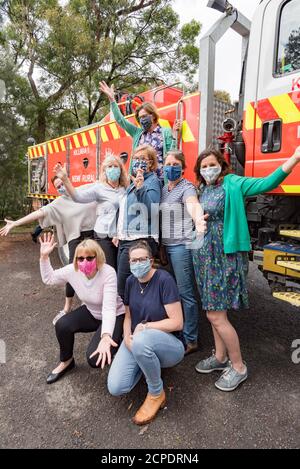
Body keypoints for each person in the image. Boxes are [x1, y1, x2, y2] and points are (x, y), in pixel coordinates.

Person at [192, 146, 300, 392]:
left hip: (224, 257)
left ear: (221, 165)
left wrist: (294, 158)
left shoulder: (233, 183)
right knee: (211, 308)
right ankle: (219, 358)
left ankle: (239, 367)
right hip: (205, 257)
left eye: (212, 164)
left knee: (215, 315)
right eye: (204, 166)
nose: (208, 169)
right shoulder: (202, 189)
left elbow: (267, 182)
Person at [0, 175, 97, 324]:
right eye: (58, 186)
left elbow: (106, 187)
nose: (61, 187)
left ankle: (90, 303)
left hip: (95, 236)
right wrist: (15, 223)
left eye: (62, 183)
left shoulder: (85, 190)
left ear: (68, 180)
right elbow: (39, 213)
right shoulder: (59, 203)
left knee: (98, 271)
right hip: (76, 239)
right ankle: (67, 307)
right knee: (73, 272)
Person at [107, 240, 185, 425]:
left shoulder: (164, 280)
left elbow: (178, 322)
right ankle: (148, 365)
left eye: (142, 259)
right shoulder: (130, 282)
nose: (137, 264)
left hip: (168, 346)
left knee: (141, 339)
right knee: (116, 387)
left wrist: (147, 327)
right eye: (133, 261)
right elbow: (127, 317)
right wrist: (127, 337)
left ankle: (156, 393)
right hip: (137, 340)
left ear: (151, 261)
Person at [39, 235, 125, 384]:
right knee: (62, 324)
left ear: (98, 257)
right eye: (80, 258)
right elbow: (49, 278)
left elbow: (109, 308)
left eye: (90, 258)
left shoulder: (108, 272)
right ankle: (67, 362)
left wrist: (105, 336)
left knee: (95, 359)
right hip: (92, 312)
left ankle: (120, 341)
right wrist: (44, 257)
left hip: (115, 315)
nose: (84, 262)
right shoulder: (73, 270)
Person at [160, 150, 206, 354]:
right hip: (167, 246)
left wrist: (198, 219)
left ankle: (191, 339)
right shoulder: (164, 188)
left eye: (175, 164)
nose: (170, 167)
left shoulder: (187, 187)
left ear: (183, 167)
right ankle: (179, 329)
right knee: (173, 293)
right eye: (167, 163)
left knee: (185, 293)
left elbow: (193, 205)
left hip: (181, 247)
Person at [53, 153, 128, 271]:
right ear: (104, 171)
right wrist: (65, 179)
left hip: (120, 235)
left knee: (121, 270)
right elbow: (78, 197)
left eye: (115, 166)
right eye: (109, 167)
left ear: (120, 169)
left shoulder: (125, 189)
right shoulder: (99, 188)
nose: (113, 169)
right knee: (110, 270)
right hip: (104, 236)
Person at [99, 81, 181, 180]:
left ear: (153, 115)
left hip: (158, 181)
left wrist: (176, 134)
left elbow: (171, 154)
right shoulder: (138, 133)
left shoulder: (165, 132)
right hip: (138, 181)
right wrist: (112, 100)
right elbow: (120, 120)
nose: (142, 120)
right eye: (140, 118)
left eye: (144, 116)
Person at [114, 144, 161, 299]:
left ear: (151, 163)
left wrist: (141, 189)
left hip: (139, 240)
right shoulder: (134, 183)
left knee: (122, 287)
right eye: (135, 159)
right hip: (126, 239)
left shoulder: (152, 181)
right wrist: (118, 233)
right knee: (129, 285)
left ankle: (127, 320)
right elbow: (126, 211)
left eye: (143, 159)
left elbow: (152, 211)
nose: (138, 162)